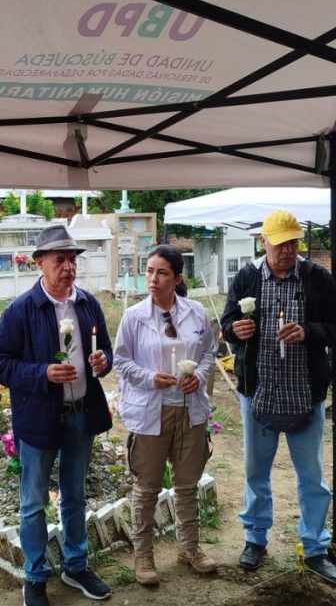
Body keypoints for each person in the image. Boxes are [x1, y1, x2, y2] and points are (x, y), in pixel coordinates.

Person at [0, 225, 114, 606]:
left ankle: (76, 567)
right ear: (39, 263)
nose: (68, 268)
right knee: (32, 501)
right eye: (60, 260)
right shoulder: (21, 310)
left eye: (73, 260)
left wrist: (102, 361)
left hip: (81, 414)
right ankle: (35, 575)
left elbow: (106, 352)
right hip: (40, 418)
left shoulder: (88, 304)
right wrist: (42, 373)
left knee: (74, 495)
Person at [219, 209, 336, 585]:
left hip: (304, 392)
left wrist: (308, 332)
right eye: (281, 243)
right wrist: (235, 329)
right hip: (258, 391)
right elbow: (226, 323)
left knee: (312, 476)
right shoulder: (246, 277)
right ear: (264, 241)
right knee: (255, 472)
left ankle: (315, 548)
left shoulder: (317, 278)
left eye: (294, 243)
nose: (288, 250)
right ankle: (255, 539)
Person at [113, 245, 217, 586]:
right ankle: (144, 556)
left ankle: (190, 548)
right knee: (146, 487)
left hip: (190, 412)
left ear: (177, 278)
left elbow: (209, 353)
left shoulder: (197, 312)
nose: (153, 279)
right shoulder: (134, 316)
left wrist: (199, 377)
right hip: (151, 412)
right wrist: (149, 377)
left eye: (161, 273)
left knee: (187, 486)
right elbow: (121, 361)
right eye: (149, 271)